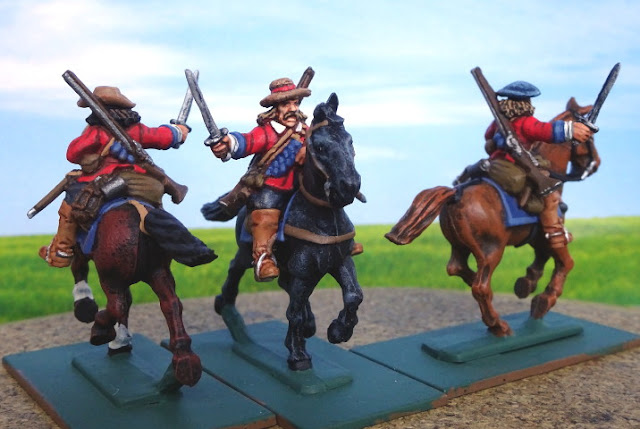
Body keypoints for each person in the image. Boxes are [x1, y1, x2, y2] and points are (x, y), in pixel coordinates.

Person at [39, 86, 190, 267]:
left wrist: (92, 138)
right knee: (154, 202)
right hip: (140, 179)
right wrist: (178, 131)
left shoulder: (95, 132)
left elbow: (73, 154)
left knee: (69, 208)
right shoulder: (137, 129)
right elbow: (161, 137)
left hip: (104, 179)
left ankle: (62, 251)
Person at [209, 77, 310, 281]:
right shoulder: (267, 132)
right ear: (275, 108)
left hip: (300, 186)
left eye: (295, 103)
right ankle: (263, 259)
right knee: (265, 218)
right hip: (270, 187)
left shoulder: (306, 132)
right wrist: (228, 143)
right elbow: (246, 141)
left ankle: (341, 243)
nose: (292, 109)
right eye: (286, 104)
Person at [482, 81, 593, 249]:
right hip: (516, 163)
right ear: (526, 103)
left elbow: (488, 136)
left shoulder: (498, 121)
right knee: (551, 196)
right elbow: (545, 131)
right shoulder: (525, 122)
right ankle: (555, 234)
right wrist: (571, 130)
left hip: (497, 160)